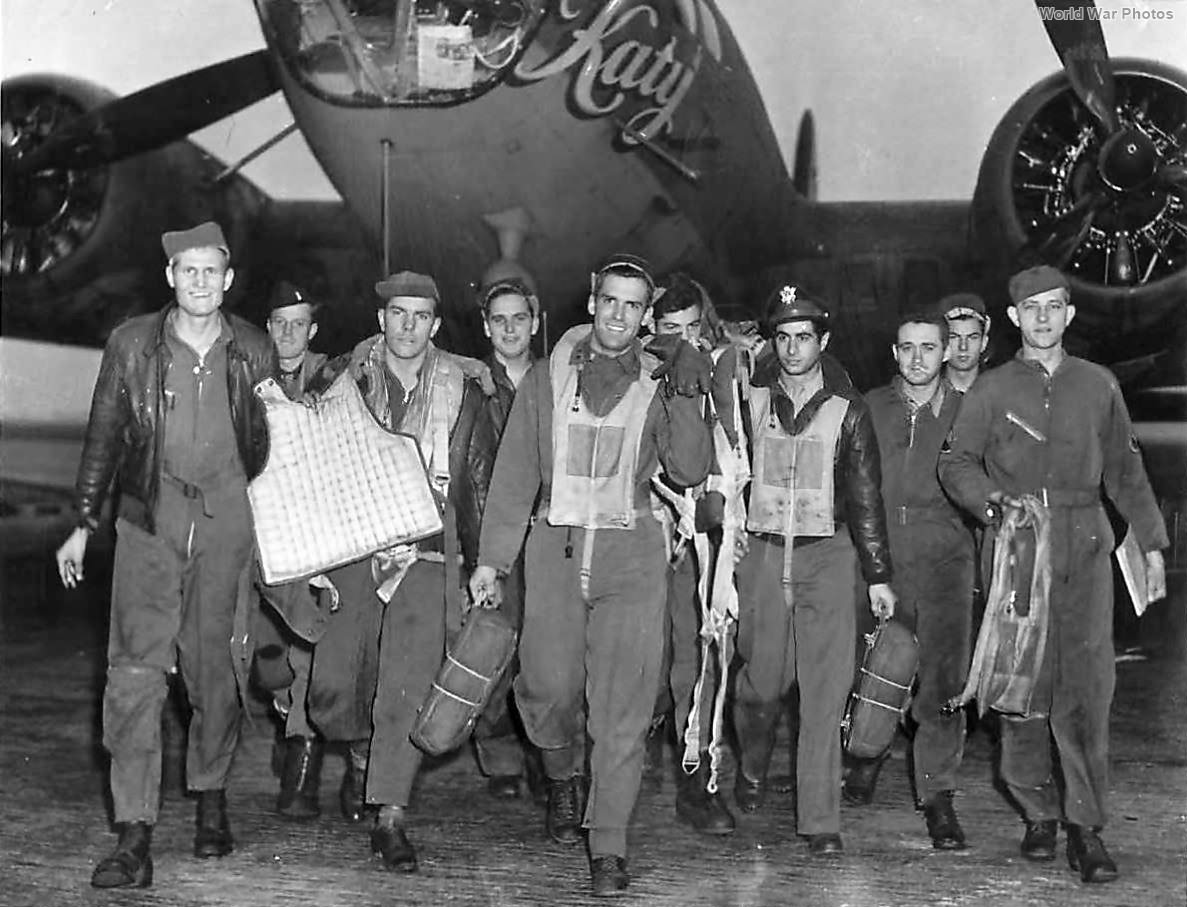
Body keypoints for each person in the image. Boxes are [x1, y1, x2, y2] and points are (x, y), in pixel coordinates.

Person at [469, 254, 713, 897]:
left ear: (645, 315)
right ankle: (561, 775)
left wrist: (690, 393)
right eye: (611, 301)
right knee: (545, 688)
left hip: (631, 553)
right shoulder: (547, 377)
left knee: (622, 707)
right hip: (555, 547)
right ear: (592, 300)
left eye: (634, 306)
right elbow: (516, 474)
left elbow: (688, 471)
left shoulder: (663, 380)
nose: (619, 315)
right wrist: (492, 561)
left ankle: (608, 843)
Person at [56, 221, 277, 889]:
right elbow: (103, 434)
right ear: (170, 277)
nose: (201, 282)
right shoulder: (132, 346)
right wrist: (82, 521)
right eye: (189, 271)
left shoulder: (253, 349)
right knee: (134, 675)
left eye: (212, 271)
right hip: (150, 522)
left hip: (229, 523)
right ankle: (134, 832)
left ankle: (210, 795)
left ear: (229, 278)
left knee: (216, 672)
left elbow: (282, 450)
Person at [939, 264, 1168, 884]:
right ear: (1013, 319)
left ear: (1070, 314)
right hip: (1017, 547)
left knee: (1089, 691)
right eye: (1030, 308)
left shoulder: (1098, 385)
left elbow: (1124, 469)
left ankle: (1085, 828)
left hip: (1086, 546)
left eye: (1054, 307)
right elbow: (956, 462)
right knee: (1020, 690)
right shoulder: (989, 390)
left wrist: (1150, 543)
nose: (1043, 318)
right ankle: (1037, 809)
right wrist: (991, 503)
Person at [300, 270, 487, 873]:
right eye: (397, 314)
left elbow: (477, 481)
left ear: (435, 324)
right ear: (381, 320)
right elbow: (312, 466)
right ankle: (360, 753)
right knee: (333, 688)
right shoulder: (343, 380)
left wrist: (483, 568)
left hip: (426, 552)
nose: (407, 326)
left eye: (420, 316)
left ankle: (390, 815)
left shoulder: (464, 387)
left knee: (405, 687)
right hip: (355, 550)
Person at [731, 285, 894, 857]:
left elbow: (866, 494)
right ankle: (751, 764)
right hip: (764, 552)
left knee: (825, 690)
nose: (794, 348)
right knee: (763, 683)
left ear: (822, 341)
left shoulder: (848, 410)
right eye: (784, 337)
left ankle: (820, 818)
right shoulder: (749, 400)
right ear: (773, 342)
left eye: (804, 337)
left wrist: (877, 575)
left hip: (829, 554)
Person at [847, 311, 974, 849]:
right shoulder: (868, 407)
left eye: (929, 347)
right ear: (893, 353)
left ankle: (938, 796)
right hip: (880, 560)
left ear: (946, 352)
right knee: (877, 664)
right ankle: (866, 756)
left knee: (944, 684)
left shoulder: (970, 412)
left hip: (946, 564)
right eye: (907, 348)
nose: (918, 358)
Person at [646, 272, 737, 836]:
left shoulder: (728, 369)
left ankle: (698, 776)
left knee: (700, 660)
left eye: (691, 328)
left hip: (708, 541)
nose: (682, 340)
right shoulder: (637, 373)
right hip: (641, 535)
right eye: (668, 329)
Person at [253, 280, 331, 820]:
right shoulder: (246, 378)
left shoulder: (332, 379)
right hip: (255, 535)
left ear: (313, 329)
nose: (288, 333)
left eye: (298, 323)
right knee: (263, 660)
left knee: (307, 647)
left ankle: (304, 760)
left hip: (311, 535)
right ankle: (286, 716)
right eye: (279, 322)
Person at [463, 277, 541, 800]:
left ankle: (545, 755)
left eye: (519, 318)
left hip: (548, 531)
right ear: (486, 326)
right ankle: (501, 756)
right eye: (499, 319)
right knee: (494, 642)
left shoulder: (556, 379)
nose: (510, 328)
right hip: (490, 529)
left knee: (544, 650)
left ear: (535, 323)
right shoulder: (470, 384)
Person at [940, 292, 990, 394]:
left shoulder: (1003, 391)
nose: (963, 347)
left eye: (972, 337)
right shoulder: (924, 393)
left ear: (984, 343)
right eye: (954, 337)